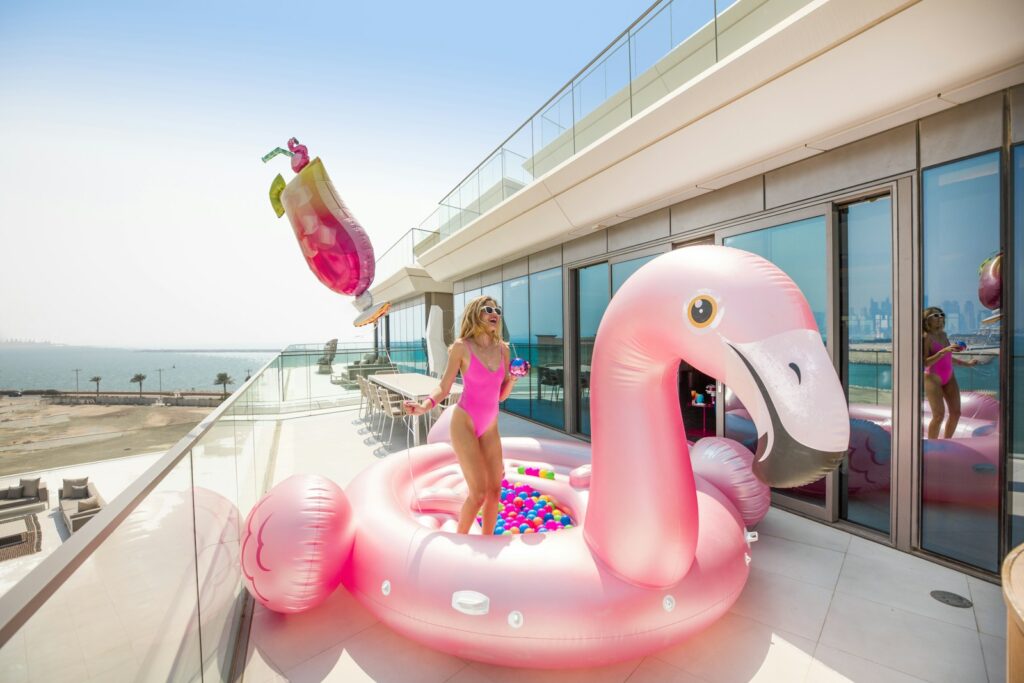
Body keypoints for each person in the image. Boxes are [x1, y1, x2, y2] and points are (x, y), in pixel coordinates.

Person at [404, 296, 519, 534]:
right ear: (476, 314)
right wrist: (426, 405)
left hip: (490, 425)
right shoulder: (461, 347)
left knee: (495, 490)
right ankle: (460, 541)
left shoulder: (504, 350)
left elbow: (500, 396)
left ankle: (486, 541)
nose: (494, 312)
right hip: (464, 421)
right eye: (488, 309)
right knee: (478, 493)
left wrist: (514, 379)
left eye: (497, 309)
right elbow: (444, 387)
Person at [923, 306, 980, 439]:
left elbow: (947, 357)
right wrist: (943, 351)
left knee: (956, 413)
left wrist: (967, 364)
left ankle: (947, 442)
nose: (940, 317)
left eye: (941, 315)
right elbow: (925, 362)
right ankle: (932, 446)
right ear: (927, 320)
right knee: (938, 416)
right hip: (932, 378)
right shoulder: (926, 337)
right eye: (935, 316)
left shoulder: (943, 335)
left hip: (949, 377)